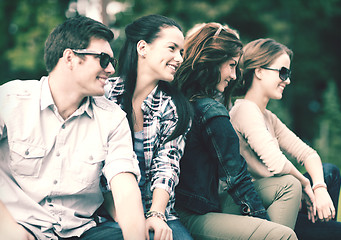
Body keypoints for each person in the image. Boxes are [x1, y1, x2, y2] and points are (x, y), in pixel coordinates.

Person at [0, 16, 145, 240]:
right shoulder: (11, 99)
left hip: (80, 231)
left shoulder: (113, 118)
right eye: (103, 59)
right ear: (70, 57)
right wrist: (8, 228)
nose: (110, 70)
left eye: (112, 63)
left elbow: (124, 187)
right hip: (17, 225)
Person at [172, 23, 299, 239]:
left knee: (289, 186)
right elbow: (237, 178)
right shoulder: (211, 112)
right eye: (231, 66)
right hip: (193, 214)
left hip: (209, 199)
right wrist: (266, 226)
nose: (234, 75)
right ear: (213, 61)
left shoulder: (186, 99)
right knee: (282, 235)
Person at [230, 37, 341, 239]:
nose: (287, 80)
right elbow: (277, 164)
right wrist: (305, 184)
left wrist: (319, 189)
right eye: (282, 72)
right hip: (264, 211)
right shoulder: (244, 110)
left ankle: (321, 221)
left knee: (329, 173)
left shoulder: (268, 116)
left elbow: (308, 153)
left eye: (288, 73)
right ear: (258, 71)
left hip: (288, 197)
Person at [102, 14, 193, 240]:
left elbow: (167, 166)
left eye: (181, 51)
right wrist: (127, 219)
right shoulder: (104, 94)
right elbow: (94, 168)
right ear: (143, 48)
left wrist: (156, 214)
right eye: (172, 48)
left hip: (157, 212)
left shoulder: (174, 108)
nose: (179, 58)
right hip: (107, 211)